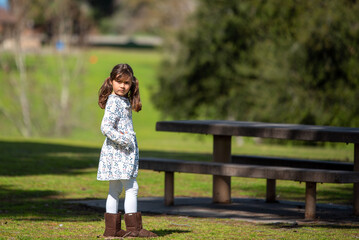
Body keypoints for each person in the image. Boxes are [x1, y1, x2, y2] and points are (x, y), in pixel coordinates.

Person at [97, 63, 157, 238]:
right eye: (119, 81)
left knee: (114, 189)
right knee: (132, 187)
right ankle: (133, 229)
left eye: (126, 83)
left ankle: (112, 230)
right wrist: (125, 140)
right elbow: (106, 127)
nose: (122, 86)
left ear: (131, 84)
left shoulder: (119, 100)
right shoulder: (114, 102)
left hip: (117, 153)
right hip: (119, 153)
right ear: (111, 81)